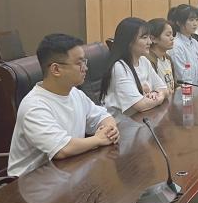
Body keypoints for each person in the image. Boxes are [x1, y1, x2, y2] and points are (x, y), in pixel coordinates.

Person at [8, 33, 119, 177]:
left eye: (84, 61)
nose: (85, 68)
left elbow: (102, 116)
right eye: (79, 63)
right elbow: (62, 149)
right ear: (56, 69)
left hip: (66, 172)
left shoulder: (74, 93)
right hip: (31, 182)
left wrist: (110, 129)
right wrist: (98, 139)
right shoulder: (34, 106)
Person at [99, 17, 168, 115]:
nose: (150, 42)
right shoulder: (120, 67)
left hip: (143, 117)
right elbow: (140, 105)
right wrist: (159, 99)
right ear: (129, 41)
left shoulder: (144, 61)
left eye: (149, 37)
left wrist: (155, 94)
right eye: (144, 38)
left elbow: (164, 89)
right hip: (120, 121)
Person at [168, 4, 198, 85]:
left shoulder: (195, 42)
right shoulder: (176, 45)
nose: (195, 24)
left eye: (197, 20)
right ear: (179, 22)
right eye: (191, 20)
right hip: (185, 90)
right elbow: (182, 77)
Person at [147, 17, 175, 92]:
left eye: (172, 34)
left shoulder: (168, 58)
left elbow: (174, 85)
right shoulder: (148, 60)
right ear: (153, 39)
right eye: (168, 35)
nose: (172, 38)